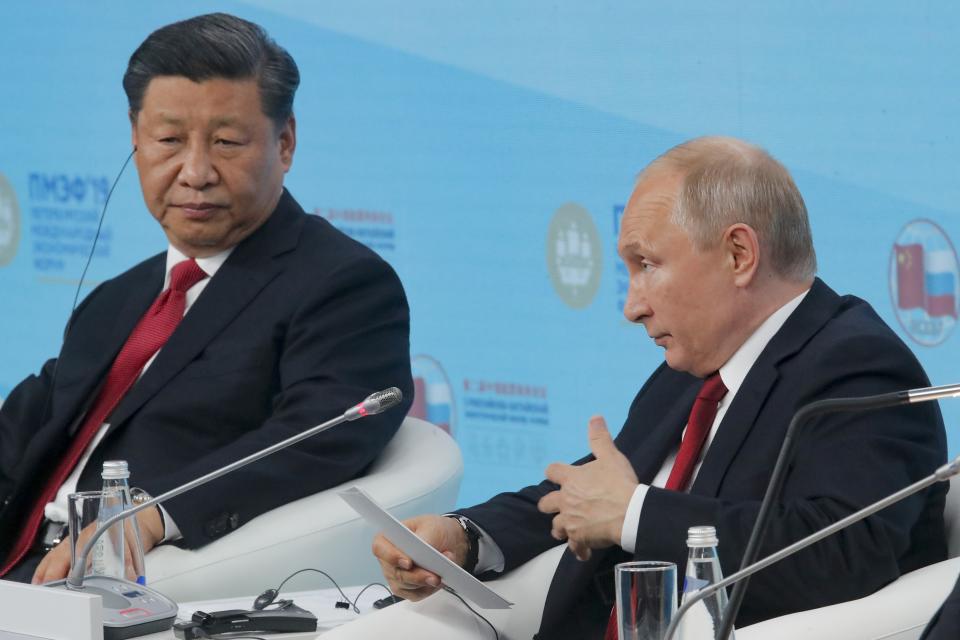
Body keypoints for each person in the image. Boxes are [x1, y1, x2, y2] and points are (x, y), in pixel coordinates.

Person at [372, 136, 946, 638]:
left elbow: (843, 552)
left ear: (738, 254)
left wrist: (635, 515)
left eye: (646, 264)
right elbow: (592, 492)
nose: (631, 307)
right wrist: (465, 537)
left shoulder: (858, 367)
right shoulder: (693, 368)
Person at [0, 13, 413, 584]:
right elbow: (22, 433)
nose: (195, 172)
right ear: (135, 139)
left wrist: (148, 514)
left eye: (226, 142)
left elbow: (319, 433)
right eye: (169, 140)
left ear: (284, 142)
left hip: (130, 587)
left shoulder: (342, 285)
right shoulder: (118, 299)